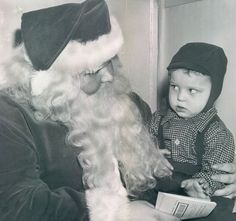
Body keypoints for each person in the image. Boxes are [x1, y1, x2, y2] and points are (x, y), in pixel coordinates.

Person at [0, 0, 179, 221]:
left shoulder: (128, 103)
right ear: (58, 80)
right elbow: (19, 204)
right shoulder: (9, 116)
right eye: (92, 70)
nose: (109, 76)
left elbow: (159, 174)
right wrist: (117, 213)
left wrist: (204, 182)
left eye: (110, 60)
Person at [149, 42, 236, 220]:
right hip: (161, 190)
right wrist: (148, 154)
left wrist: (201, 185)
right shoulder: (158, 119)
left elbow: (219, 174)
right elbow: (141, 144)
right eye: (175, 87)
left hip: (201, 199)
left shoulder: (217, 133)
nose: (180, 97)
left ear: (213, 93)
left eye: (192, 91)